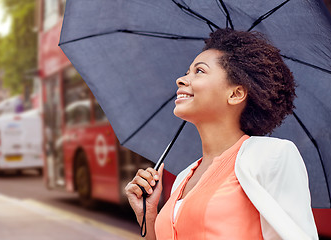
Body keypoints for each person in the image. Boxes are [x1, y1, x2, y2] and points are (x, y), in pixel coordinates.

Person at [125, 28, 318, 240]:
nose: (181, 79)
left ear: (235, 94)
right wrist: (149, 216)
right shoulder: (183, 177)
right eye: (187, 71)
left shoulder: (271, 156)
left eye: (199, 71)